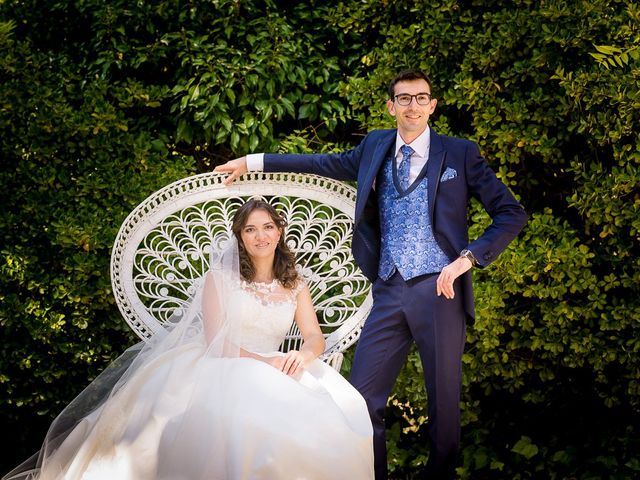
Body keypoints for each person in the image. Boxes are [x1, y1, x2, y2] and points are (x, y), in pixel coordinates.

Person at [215, 69, 528, 479]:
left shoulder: (460, 153)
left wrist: (465, 259)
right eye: (404, 98)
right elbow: (318, 163)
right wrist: (251, 162)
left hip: (440, 290)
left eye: (421, 98)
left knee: (443, 404)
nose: (412, 105)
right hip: (389, 290)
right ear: (391, 106)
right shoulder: (376, 146)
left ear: (432, 105)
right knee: (359, 401)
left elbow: (511, 214)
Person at [4, 199, 374, 480]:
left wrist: (304, 356)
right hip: (223, 362)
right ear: (241, 238)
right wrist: (266, 364)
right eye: (249, 229)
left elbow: (314, 336)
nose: (260, 236)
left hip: (280, 364)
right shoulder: (221, 278)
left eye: (267, 227)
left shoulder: (295, 283)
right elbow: (218, 340)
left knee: (341, 411)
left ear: (279, 232)